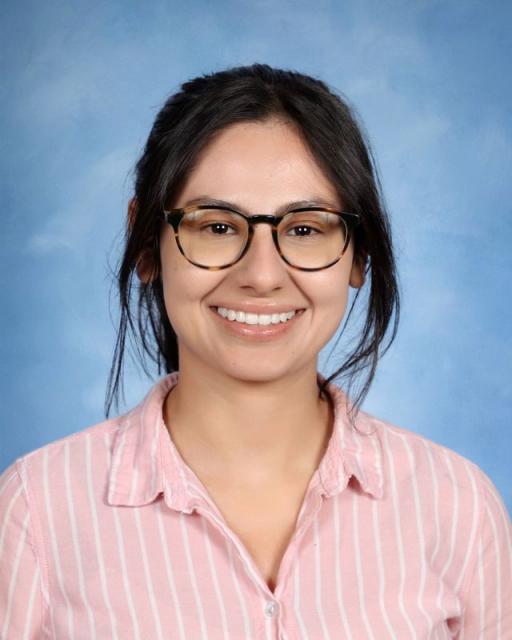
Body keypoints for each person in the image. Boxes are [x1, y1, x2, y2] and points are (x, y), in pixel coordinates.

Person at [1, 64, 510, 639]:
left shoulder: (458, 508)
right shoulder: (37, 510)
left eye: (305, 229)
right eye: (216, 227)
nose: (262, 275)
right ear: (146, 243)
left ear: (359, 255)